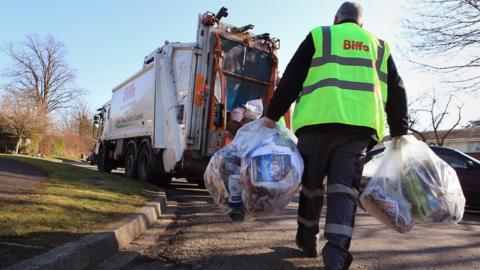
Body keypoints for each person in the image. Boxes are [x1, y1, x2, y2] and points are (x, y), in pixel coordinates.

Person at [262, 2, 408, 269]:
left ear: (337, 18)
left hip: (316, 125)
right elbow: (397, 90)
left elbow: (292, 79)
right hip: (357, 130)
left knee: (312, 187)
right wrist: (400, 132)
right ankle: (336, 255)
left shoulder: (321, 35)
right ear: (360, 23)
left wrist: (271, 116)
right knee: (343, 192)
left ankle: (307, 240)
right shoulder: (379, 46)